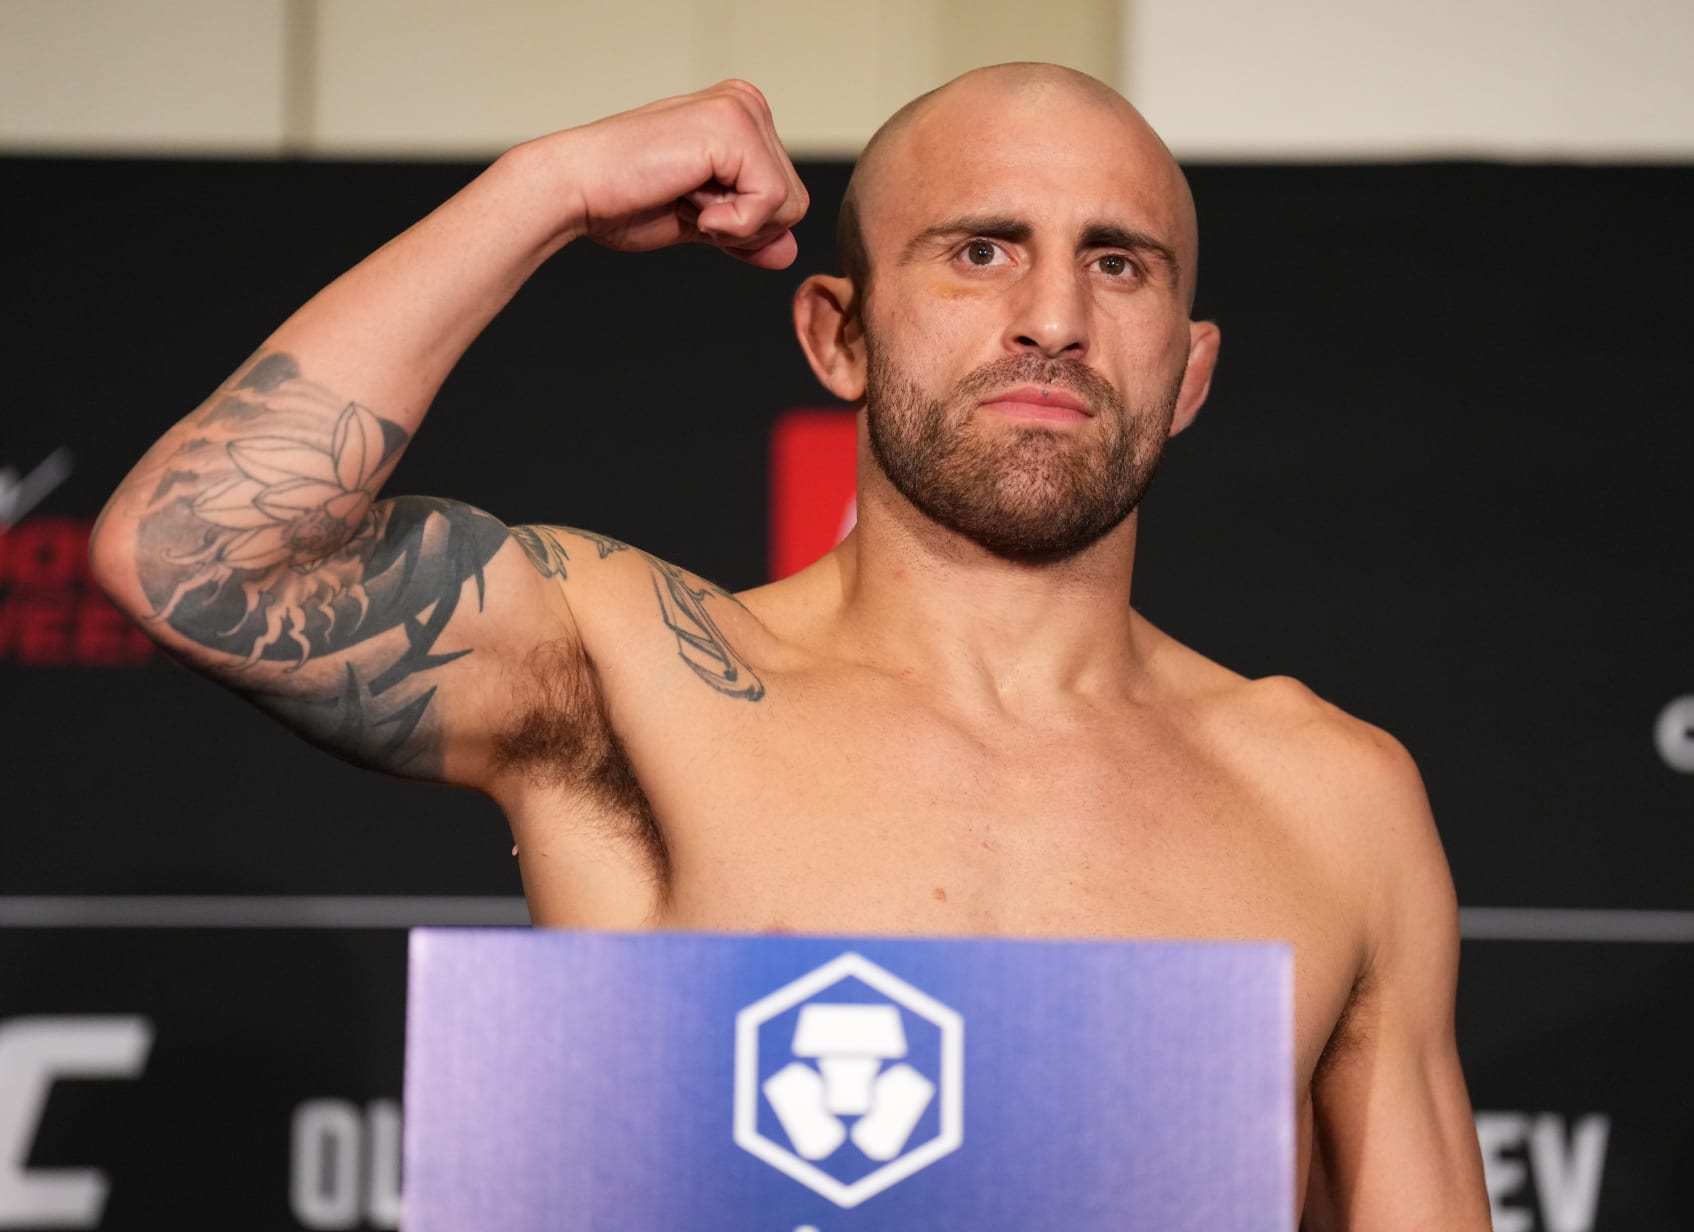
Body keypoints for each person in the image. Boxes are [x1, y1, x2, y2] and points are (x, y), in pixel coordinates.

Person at [90, 63, 1490, 1227]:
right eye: (982, 250)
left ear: (1187, 372)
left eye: (1116, 264)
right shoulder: (640, 670)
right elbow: (192, 559)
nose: (1054, 320)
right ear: (838, 335)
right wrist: (546, 187)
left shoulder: (1331, 799)